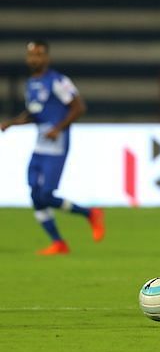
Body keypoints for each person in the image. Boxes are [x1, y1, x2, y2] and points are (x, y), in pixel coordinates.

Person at [0, 40, 105, 255]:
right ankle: (58, 242)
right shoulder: (31, 84)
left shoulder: (58, 81)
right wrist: (12, 123)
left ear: (46, 58)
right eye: (31, 55)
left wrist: (58, 128)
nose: (34, 59)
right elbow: (33, 114)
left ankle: (89, 214)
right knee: (35, 194)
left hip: (56, 144)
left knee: (46, 194)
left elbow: (78, 107)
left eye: (38, 55)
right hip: (39, 144)